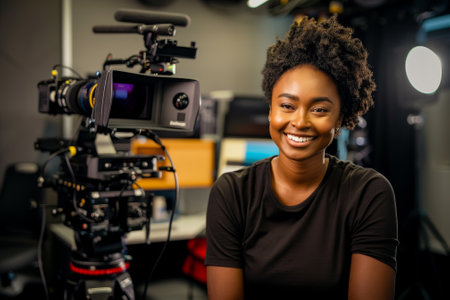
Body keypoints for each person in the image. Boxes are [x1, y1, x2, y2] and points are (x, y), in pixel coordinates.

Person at [205, 15, 399, 300]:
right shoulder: (231, 193)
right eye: (287, 105)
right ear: (270, 110)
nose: (300, 121)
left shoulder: (368, 193)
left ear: (341, 119)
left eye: (319, 109)